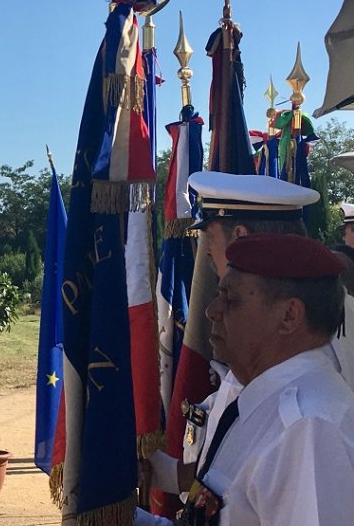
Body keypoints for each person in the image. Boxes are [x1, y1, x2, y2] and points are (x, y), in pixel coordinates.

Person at [137, 233, 354, 526]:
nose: (211, 311)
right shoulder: (257, 398)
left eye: (231, 300)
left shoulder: (306, 423)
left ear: (290, 315)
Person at [147, 172, 354, 494]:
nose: (207, 256)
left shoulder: (308, 419)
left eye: (208, 242)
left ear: (239, 238)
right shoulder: (276, 319)